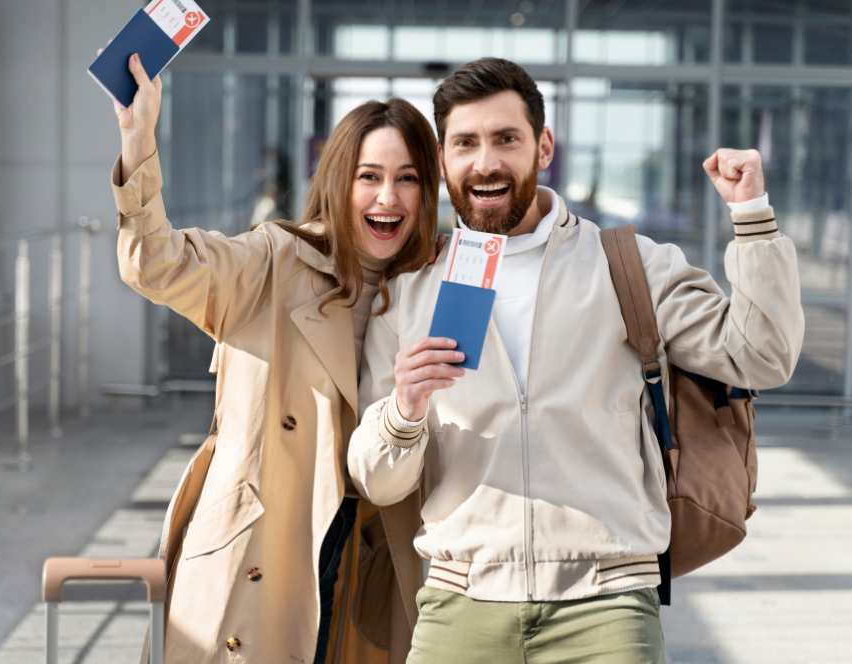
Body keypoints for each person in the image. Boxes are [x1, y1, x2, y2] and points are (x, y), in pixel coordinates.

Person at [348, 58, 805, 664]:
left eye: (506, 139)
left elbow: (762, 356)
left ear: (543, 146)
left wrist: (752, 217)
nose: (485, 162)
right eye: (466, 143)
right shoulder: (407, 291)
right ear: (442, 159)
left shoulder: (629, 265)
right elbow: (377, 480)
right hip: (460, 607)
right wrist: (403, 410)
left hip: (608, 607)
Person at [108, 52, 438, 663]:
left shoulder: (439, 285)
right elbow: (156, 262)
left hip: (374, 555)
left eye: (408, 177)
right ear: (340, 180)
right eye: (368, 176)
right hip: (265, 547)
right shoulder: (274, 260)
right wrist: (139, 143)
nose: (387, 197)